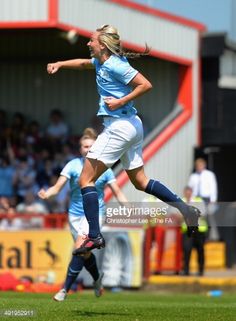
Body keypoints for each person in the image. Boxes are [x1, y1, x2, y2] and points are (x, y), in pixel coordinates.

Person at [47, 24, 200, 255]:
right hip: (131, 125)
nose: (88, 43)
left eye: (91, 40)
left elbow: (145, 84)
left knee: (85, 180)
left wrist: (120, 101)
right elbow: (82, 63)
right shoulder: (101, 62)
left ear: (103, 45)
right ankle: (186, 209)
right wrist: (60, 64)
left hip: (119, 127)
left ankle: (94, 236)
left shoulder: (116, 65)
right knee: (140, 181)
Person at [38, 128, 128, 301]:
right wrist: (48, 193)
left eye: (91, 146)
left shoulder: (104, 168)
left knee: (79, 248)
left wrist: (130, 208)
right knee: (84, 253)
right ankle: (97, 279)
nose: (88, 149)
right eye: (85, 146)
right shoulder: (72, 165)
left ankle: (64, 289)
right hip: (74, 215)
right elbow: (57, 187)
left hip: (95, 215)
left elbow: (118, 192)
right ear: (80, 149)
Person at [188, 157, 218, 240]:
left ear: (204, 165)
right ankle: (196, 235)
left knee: (208, 218)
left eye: (200, 165)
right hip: (196, 199)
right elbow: (189, 189)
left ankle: (209, 236)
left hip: (206, 199)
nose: (199, 167)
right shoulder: (193, 176)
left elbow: (213, 187)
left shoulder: (209, 175)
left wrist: (213, 200)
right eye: (197, 165)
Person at [181, 186, 208, 276]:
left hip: (199, 230)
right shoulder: (181, 201)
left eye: (189, 192)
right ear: (184, 193)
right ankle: (186, 271)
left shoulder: (198, 200)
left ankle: (201, 270)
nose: (188, 194)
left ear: (192, 192)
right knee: (186, 250)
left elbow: (203, 213)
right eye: (186, 192)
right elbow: (176, 215)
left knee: (200, 250)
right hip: (187, 230)